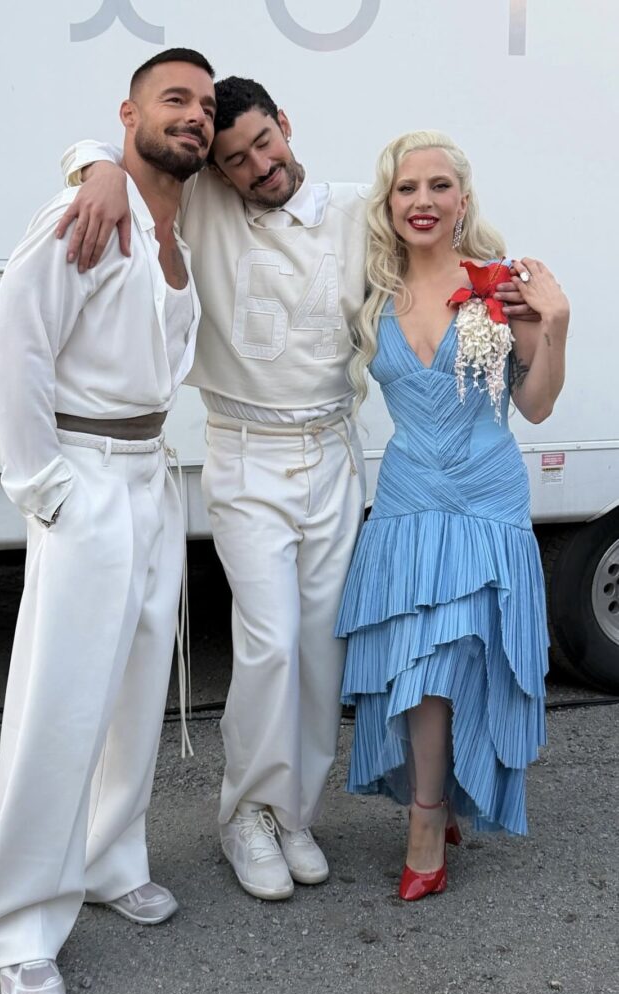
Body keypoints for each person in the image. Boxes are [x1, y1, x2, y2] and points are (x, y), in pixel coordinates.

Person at [56, 87, 535, 902]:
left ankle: (294, 813)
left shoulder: (359, 212)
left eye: (264, 143)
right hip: (247, 454)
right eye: (235, 158)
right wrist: (92, 165)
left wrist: (530, 309)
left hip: (333, 454)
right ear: (218, 168)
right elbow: (124, 160)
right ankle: (245, 814)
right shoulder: (205, 200)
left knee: (320, 649)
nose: (257, 166)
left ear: (286, 126)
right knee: (270, 643)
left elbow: (444, 247)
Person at [0, 48, 215, 994]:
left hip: (151, 477)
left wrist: (101, 163)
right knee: (61, 705)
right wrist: (43, 488)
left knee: (136, 689)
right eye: (173, 99)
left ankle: (112, 860)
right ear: (127, 113)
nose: (193, 116)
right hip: (86, 477)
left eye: (204, 105)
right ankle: (20, 925)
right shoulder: (84, 211)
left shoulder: (174, 226)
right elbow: (16, 349)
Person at [336, 130, 569, 900]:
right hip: (409, 498)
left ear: (462, 200)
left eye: (438, 186)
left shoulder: (499, 284)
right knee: (418, 663)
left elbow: (535, 406)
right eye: (407, 188)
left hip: (484, 495)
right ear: (389, 203)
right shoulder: (371, 292)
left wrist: (557, 325)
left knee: (457, 658)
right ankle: (439, 797)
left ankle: (428, 822)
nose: (423, 201)